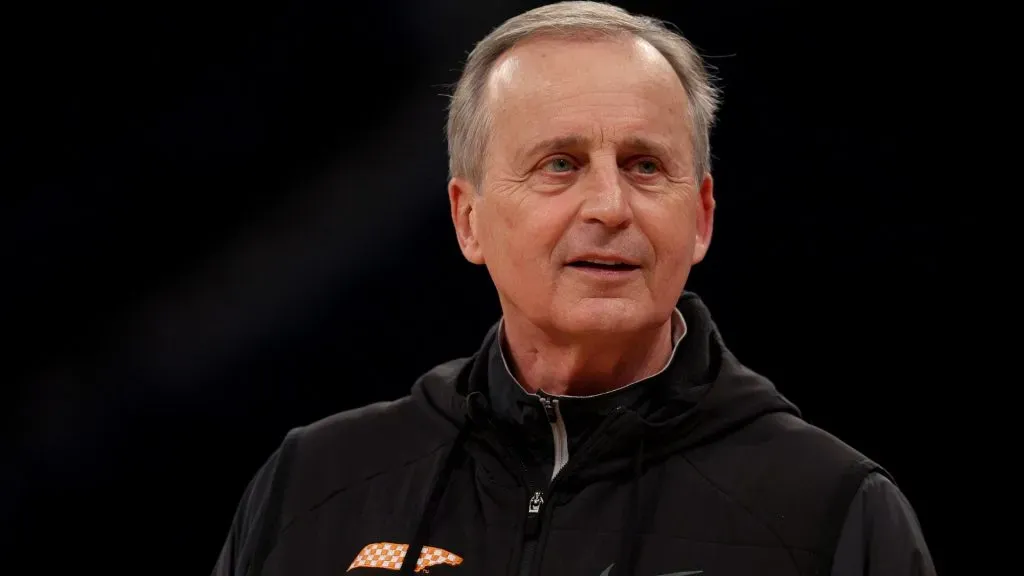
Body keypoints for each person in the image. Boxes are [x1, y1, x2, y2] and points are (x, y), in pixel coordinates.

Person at [212, 2, 936, 575]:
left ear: (701, 219)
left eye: (645, 166)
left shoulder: (831, 512)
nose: (610, 207)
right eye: (559, 164)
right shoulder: (314, 486)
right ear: (468, 219)